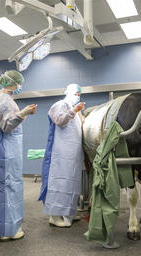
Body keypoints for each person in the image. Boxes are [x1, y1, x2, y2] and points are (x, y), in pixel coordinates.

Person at [0, 70, 37, 241]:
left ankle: (1, 227)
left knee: (0, 189)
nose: (20, 87)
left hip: (0, 152)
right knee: (9, 189)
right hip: (8, 152)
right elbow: (7, 125)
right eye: (19, 83)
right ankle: (8, 231)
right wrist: (24, 113)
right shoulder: (5, 101)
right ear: (14, 83)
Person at [39, 83, 85, 227]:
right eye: (76, 93)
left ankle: (68, 211)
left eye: (79, 94)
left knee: (71, 183)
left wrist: (79, 112)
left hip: (74, 154)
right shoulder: (59, 104)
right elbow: (60, 121)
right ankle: (54, 215)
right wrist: (74, 111)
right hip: (61, 153)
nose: (78, 96)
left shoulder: (77, 110)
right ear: (68, 92)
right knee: (60, 182)